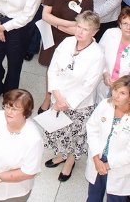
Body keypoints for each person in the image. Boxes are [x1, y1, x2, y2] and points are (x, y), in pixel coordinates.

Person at [44, 11, 105, 182]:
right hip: (58, 98)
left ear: (94, 32)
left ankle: (69, 161)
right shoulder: (67, 42)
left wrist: (67, 103)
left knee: (75, 135)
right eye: (78, 26)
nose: (80, 31)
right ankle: (61, 155)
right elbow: (53, 68)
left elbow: (89, 86)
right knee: (59, 130)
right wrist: (56, 95)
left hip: (79, 105)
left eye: (85, 29)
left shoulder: (97, 55)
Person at [0, 89, 44, 201]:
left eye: (14, 109)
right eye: (6, 106)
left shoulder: (33, 139)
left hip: (12, 193)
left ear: (26, 112)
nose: (8, 112)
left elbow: (29, 171)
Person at [85, 75, 130, 202]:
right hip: (98, 159)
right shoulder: (105, 104)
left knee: (115, 198)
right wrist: (96, 158)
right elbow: (92, 128)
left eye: (122, 93)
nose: (116, 95)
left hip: (119, 166)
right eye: (115, 90)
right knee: (93, 196)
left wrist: (109, 164)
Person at [97, 8, 130, 102]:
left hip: (125, 90)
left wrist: (122, 84)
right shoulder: (110, 33)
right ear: (120, 24)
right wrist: (105, 73)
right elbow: (98, 56)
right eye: (125, 23)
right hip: (103, 83)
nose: (128, 27)